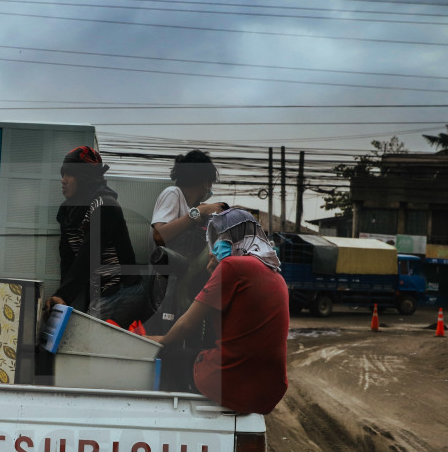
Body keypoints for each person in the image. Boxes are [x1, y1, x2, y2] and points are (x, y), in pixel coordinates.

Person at [150, 209, 289, 414]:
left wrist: (159, 340)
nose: (215, 247)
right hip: (268, 390)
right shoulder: (275, 274)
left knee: (168, 354)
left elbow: (188, 324)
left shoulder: (233, 267)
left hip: (228, 381)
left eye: (221, 240)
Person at [46, 146, 147, 328]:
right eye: (63, 175)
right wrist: (62, 297)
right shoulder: (67, 211)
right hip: (100, 293)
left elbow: (89, 255)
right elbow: (67, 259)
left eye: (69, 174)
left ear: (84, 177)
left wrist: (64, 294)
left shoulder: (105, 205)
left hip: (122, 290)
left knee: (84, 335)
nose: (63, 181)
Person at [150, 150, 228, 311]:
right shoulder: (173, 193)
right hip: (171, 275)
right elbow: (159, 235)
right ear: (206, 182)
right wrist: (200, 212)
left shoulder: (192, 206)